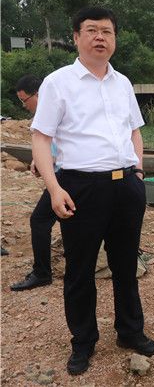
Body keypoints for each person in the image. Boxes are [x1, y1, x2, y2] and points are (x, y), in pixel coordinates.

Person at [31, 7, 154, 376]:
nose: (100, 37)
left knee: (126, 265)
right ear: (76, 37)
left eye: (107, 31)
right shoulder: (57, 83)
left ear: (115, 38)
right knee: (80, 268)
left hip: (126, 186)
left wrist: (138, 171)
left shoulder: (123, 83)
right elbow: (41, 138)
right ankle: (83, 342)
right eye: (92, 30)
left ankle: (130, 331)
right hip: (80, 187)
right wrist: (54, 188)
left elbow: (134, 130)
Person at [10, 75, 58, 292]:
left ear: (38, 94)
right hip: (63, 175)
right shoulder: (47, 113)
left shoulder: (53, 112)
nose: (24, 106)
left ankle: (42, 273)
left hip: (67, 176)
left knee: (39, 220)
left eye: (24, 100)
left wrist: (46, 162)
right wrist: (38, 161)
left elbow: (61, 149)